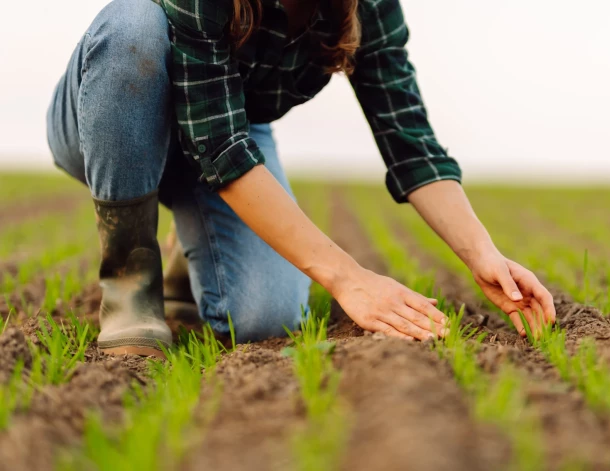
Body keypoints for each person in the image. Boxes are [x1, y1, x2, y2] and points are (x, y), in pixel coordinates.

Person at [46, 0, 556, 358]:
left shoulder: (366, 5)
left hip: (226, 127)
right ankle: (129, 285)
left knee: (265, 317)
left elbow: (410, 140)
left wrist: (482, 253)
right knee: (134, 22)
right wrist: (349, 278)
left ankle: (190, 248)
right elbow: (220, 148)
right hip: (110, 116)